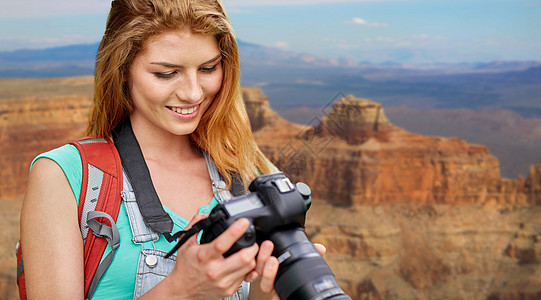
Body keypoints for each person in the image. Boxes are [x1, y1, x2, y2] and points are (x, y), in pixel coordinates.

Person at [19, 0, 325, 299]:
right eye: (166, 73)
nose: (192, 93)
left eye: (208, 68)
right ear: (123, 69)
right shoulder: (65, 176)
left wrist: (266, 288)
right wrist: (182, 289)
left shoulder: (250, 170)